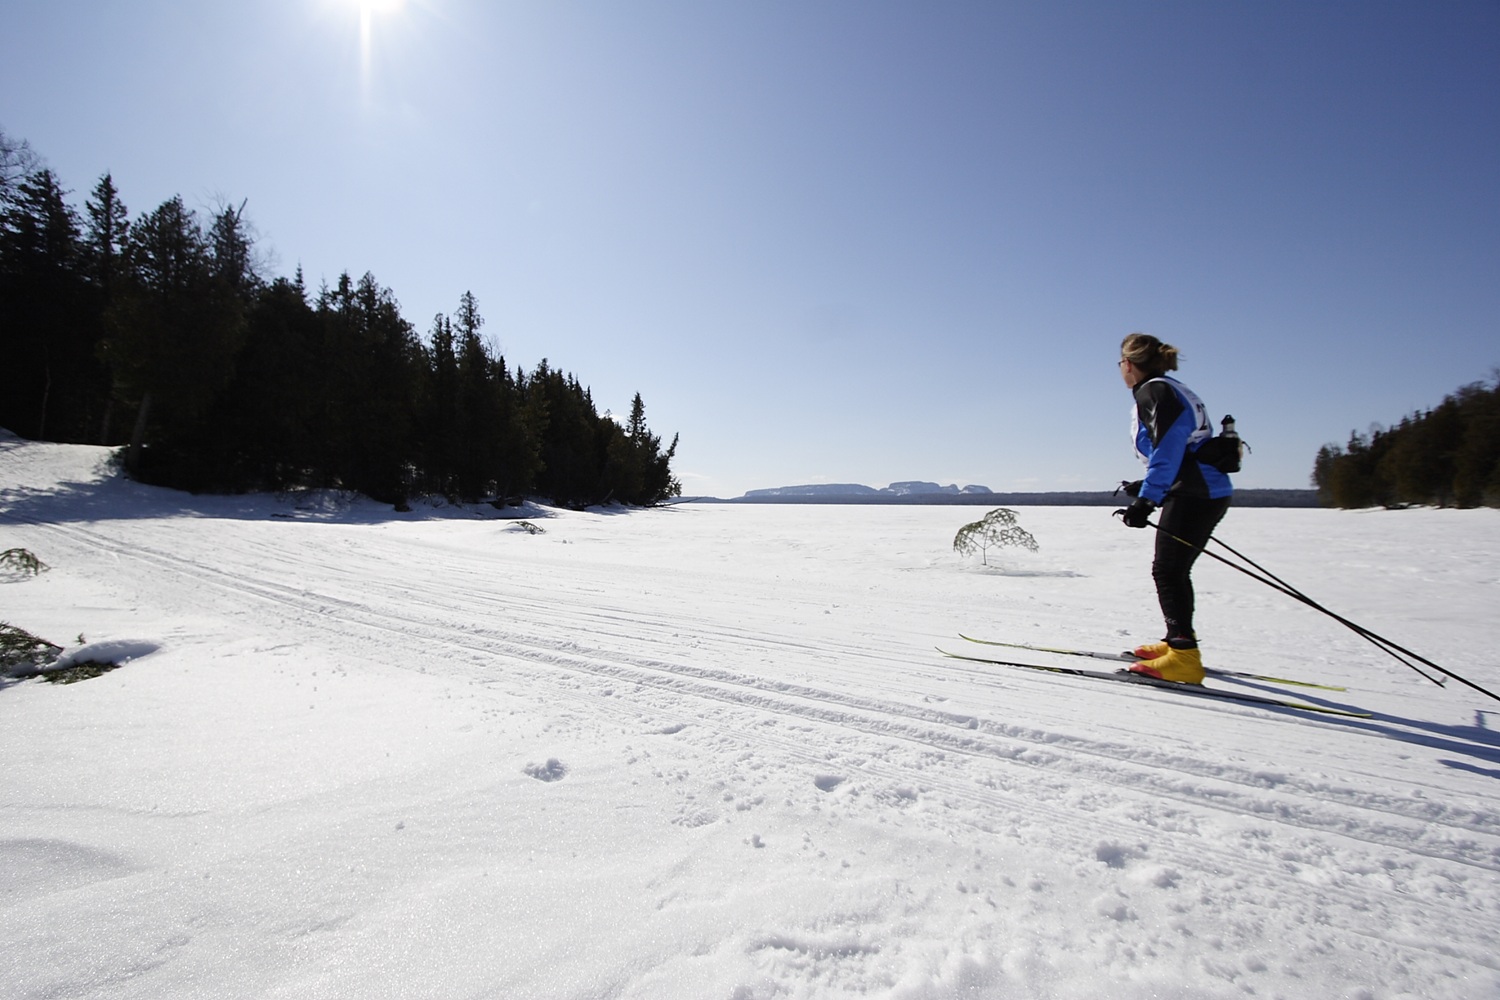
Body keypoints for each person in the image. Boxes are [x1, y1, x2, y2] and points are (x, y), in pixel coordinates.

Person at [1115, 333, 1232, 685]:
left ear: (1129, 365)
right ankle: (1175, 644)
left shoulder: (1156, 391)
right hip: (1200, 489)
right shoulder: (1169, 388)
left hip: (1196, 492)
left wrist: (1148, 499)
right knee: (1173, 570)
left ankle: (1183, 656)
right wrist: (1150, 487)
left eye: (1120, 364)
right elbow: (1179, 449)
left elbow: (1167, 449)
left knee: (1168, 571)